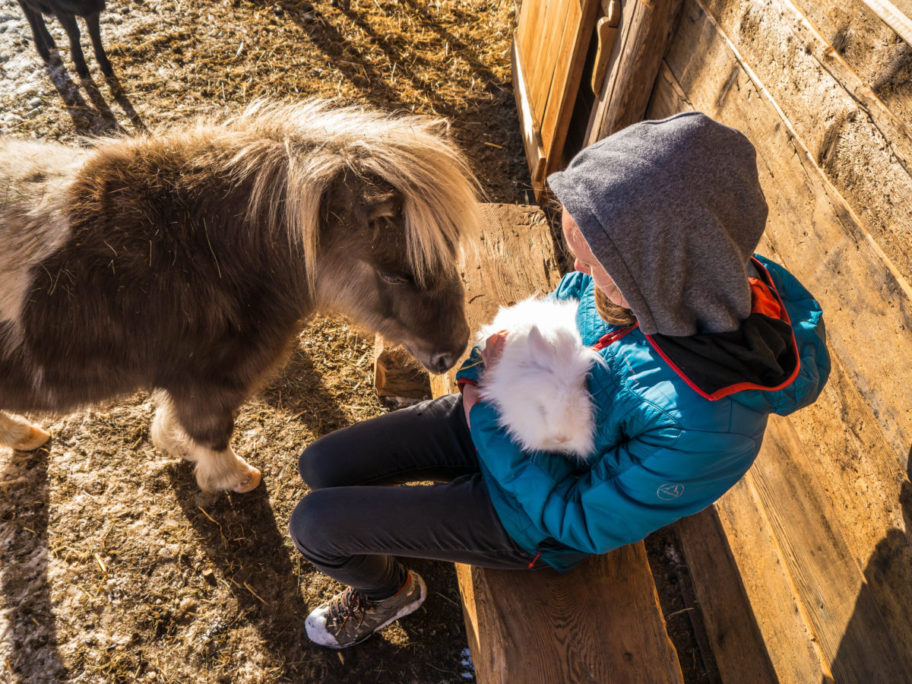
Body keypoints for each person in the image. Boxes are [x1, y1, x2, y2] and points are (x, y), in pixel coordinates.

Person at [288, 111, 831, 650]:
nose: (579, 271)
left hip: (526, 517)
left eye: (593, 264)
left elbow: (578, 521)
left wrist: (487, 414)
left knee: (314, 525)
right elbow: (558, 305)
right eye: (576, 251)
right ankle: (402, 527)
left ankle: (390, 593)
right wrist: (492, 363)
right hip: (500, 413)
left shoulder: (707, 429)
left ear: (656, 273)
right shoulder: (675, 275)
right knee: (321, 466)